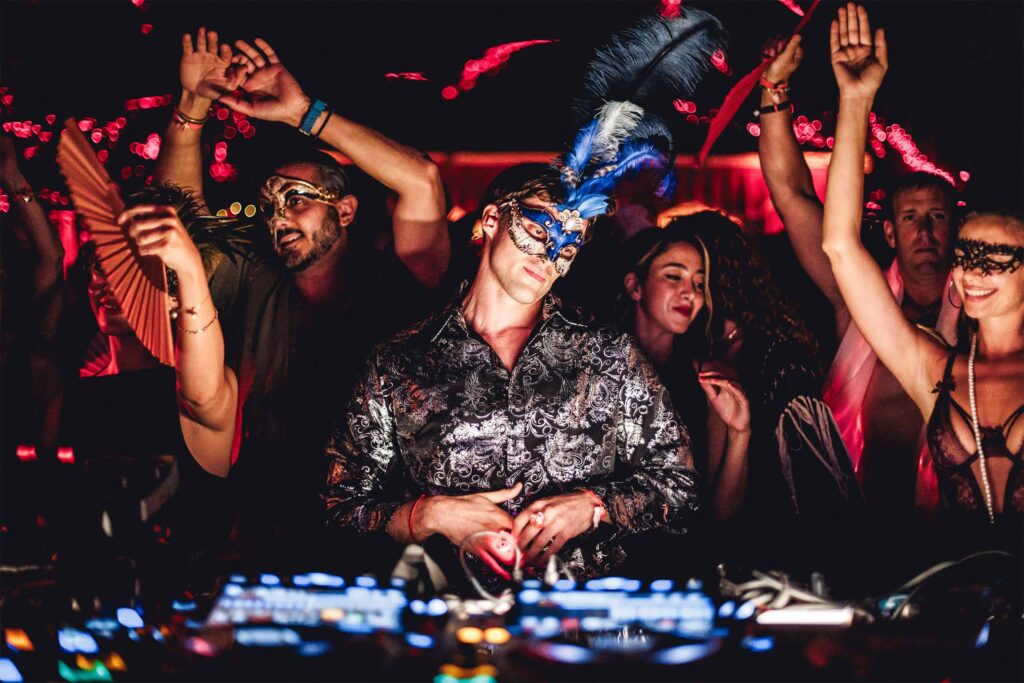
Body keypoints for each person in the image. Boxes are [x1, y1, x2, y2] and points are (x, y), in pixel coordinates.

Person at [324, 166, 701, 586]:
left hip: (581, 625)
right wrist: (424, 516)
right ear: (490, 220)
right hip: (450, 620)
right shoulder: (399, 361)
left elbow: (680, 487)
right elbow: (339, 508)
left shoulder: (608, 353)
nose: (548, 256)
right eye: (540, 232)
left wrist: (593, 505)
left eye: (568, 248)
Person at [152, 29, 450, 550]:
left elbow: (422, 179)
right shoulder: (256, 280)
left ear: (346, 211)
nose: (278, 216)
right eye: (269, 205)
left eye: (297, 199)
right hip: (264, 525)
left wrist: (302, 114)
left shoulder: (397, 285)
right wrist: (193, 106)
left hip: (375, 532)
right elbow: (180, 219)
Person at [821, 4, 1022, 536]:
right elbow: (840, 245)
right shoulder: (933, 366)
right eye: (967, 256)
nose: (973, 273)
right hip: (951, 597)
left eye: (995, 260)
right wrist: (855, 100)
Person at [757, 30, 959, 516]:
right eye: (910, 218)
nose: (925, 231)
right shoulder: (859, 300)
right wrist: (773, 91)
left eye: (937, 216)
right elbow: (791, 193)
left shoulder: (987, 318)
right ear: (889, 233)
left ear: (955, 229)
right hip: (851, 528)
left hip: (955, 537)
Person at [657, 211, 863, 571]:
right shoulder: (689, 353)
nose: (685, 289)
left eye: (695, 274)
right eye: (673, 275)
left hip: (777, 563)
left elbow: (817, 499)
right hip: (707, 559)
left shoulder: (780, 362)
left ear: (717, 275)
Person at [619, 225, 751, 522]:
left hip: (679, 559)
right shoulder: (595, 368)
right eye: (674, 276)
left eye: (700, 284)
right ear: (634, 286)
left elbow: (721, 516)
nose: (690, 293)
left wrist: (740, 433)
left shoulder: (707, 380)